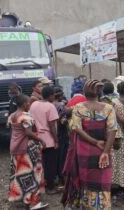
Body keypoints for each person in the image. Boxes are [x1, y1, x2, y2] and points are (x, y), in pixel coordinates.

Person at [62, 80, 117, 210]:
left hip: (84, 151)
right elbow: (112, 130)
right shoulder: (108, 108)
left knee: (84, 179)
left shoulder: (78, 108)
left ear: (84, 93)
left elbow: (76, 128)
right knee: (102, 180)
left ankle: (85, 205)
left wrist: (94, 142)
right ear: (99, 93)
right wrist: (105, 151)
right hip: (103, 149)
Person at [8, 94, 48, 210]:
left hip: (15, 148)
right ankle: (33, 203)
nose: (30, 105)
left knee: (20, 173)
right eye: (29, 103)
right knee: (34, 174)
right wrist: (41, 140)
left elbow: (15, 132)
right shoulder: (26, 116)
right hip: (27, 149)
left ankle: (21, 198)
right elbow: (28, 133)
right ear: (25, 104)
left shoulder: (12, 116)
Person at [30, 86, 59, 194]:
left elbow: (32, 122)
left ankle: (40, 185)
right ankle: (50, 187)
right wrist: (56, 140)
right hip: (49, 140)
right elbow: (52, 126)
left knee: (40, 164)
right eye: (53, 95)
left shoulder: (34, 104)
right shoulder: (50, 106)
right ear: (51, 95)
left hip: (36, 138)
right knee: (50, 164)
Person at [53, 87, 69, 187]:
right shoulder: (61, 106)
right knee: (62, 156)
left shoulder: (49, 104)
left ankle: (55, 177)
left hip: (52, 132)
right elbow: (63, 121)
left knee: (55, 156)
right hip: (61, 133)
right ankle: (62, 178)